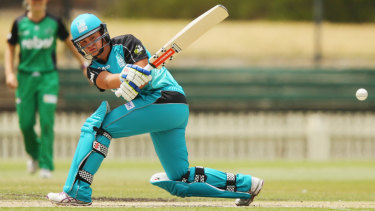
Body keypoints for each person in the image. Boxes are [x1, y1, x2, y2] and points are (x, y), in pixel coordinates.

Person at [46, 13, 264, 206]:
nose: (91, 44)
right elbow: (105, 80)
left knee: (99, 128)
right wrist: (123, 78)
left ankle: (77, 192)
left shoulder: (127, 43)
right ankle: (248, 185)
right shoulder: (92, 69)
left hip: (165, 98)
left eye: (93, 37)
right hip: (166, 110)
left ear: (103, 33)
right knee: (179, 178)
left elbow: (142, 72)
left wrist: (134, 78)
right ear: (79, 46)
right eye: (84, 42)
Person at [4, 0, 87, 179]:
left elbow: (69, 43)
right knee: (25, 124)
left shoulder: (55, 22)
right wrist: (10, 73)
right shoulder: (19, 23)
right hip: (25, 78)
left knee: (46, 121)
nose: (36, 2)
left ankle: (46, 164)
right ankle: (34, 155)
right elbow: (10, 47)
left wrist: (83, 64)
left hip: (48, 78)